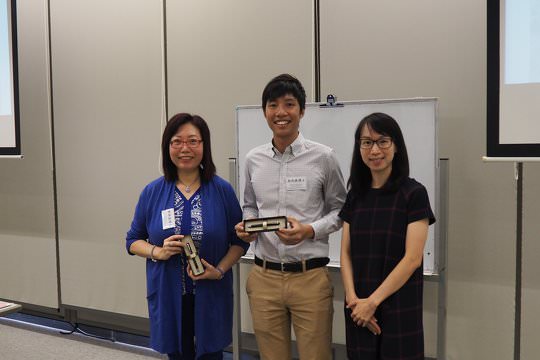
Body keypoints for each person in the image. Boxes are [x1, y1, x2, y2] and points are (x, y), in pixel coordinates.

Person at [235, 74, 346, 360]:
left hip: (309, 278)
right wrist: (248, 227)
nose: (280, 113)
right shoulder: (253, 159)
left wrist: (309, 230)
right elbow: (249, 206)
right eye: (273, 105)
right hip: (264, 277)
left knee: (316, 356)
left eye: (289, 104)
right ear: (264, 112)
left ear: (302, 110)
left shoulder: (323, 157)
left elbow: (341, 212)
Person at [126, 113, 249, 360]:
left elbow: (239, 241)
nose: (185, 148)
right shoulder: (152, 192)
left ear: (204, 146)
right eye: (177, 142)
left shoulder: (222, 190)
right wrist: (156, 251)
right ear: (167, 147)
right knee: (177, 354)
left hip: (211, 292)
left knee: (211, 354)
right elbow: (132, 240)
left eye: (193, 141)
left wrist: (220, 270)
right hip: (170, 296)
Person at [339, 112, 436, 359]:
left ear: (396, 147)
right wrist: (352, 298)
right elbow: (346, 252)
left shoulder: (413, 194)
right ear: (359, 148)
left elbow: (412, 259)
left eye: (383, 141)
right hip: (358, 308)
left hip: (398, 306)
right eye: (367, 142)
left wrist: (372, 302)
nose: (375, 150)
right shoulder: (356, 195)